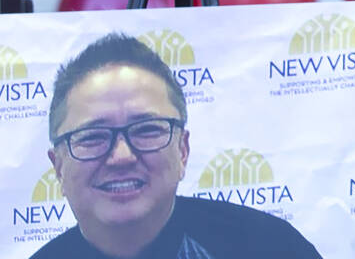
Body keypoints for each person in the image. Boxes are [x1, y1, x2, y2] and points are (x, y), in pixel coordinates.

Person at [31, 33, 323, 259]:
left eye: (146, 130)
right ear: (58, 165)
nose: (121, 156)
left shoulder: (271, 248)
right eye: (93, 136)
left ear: (182, 150)